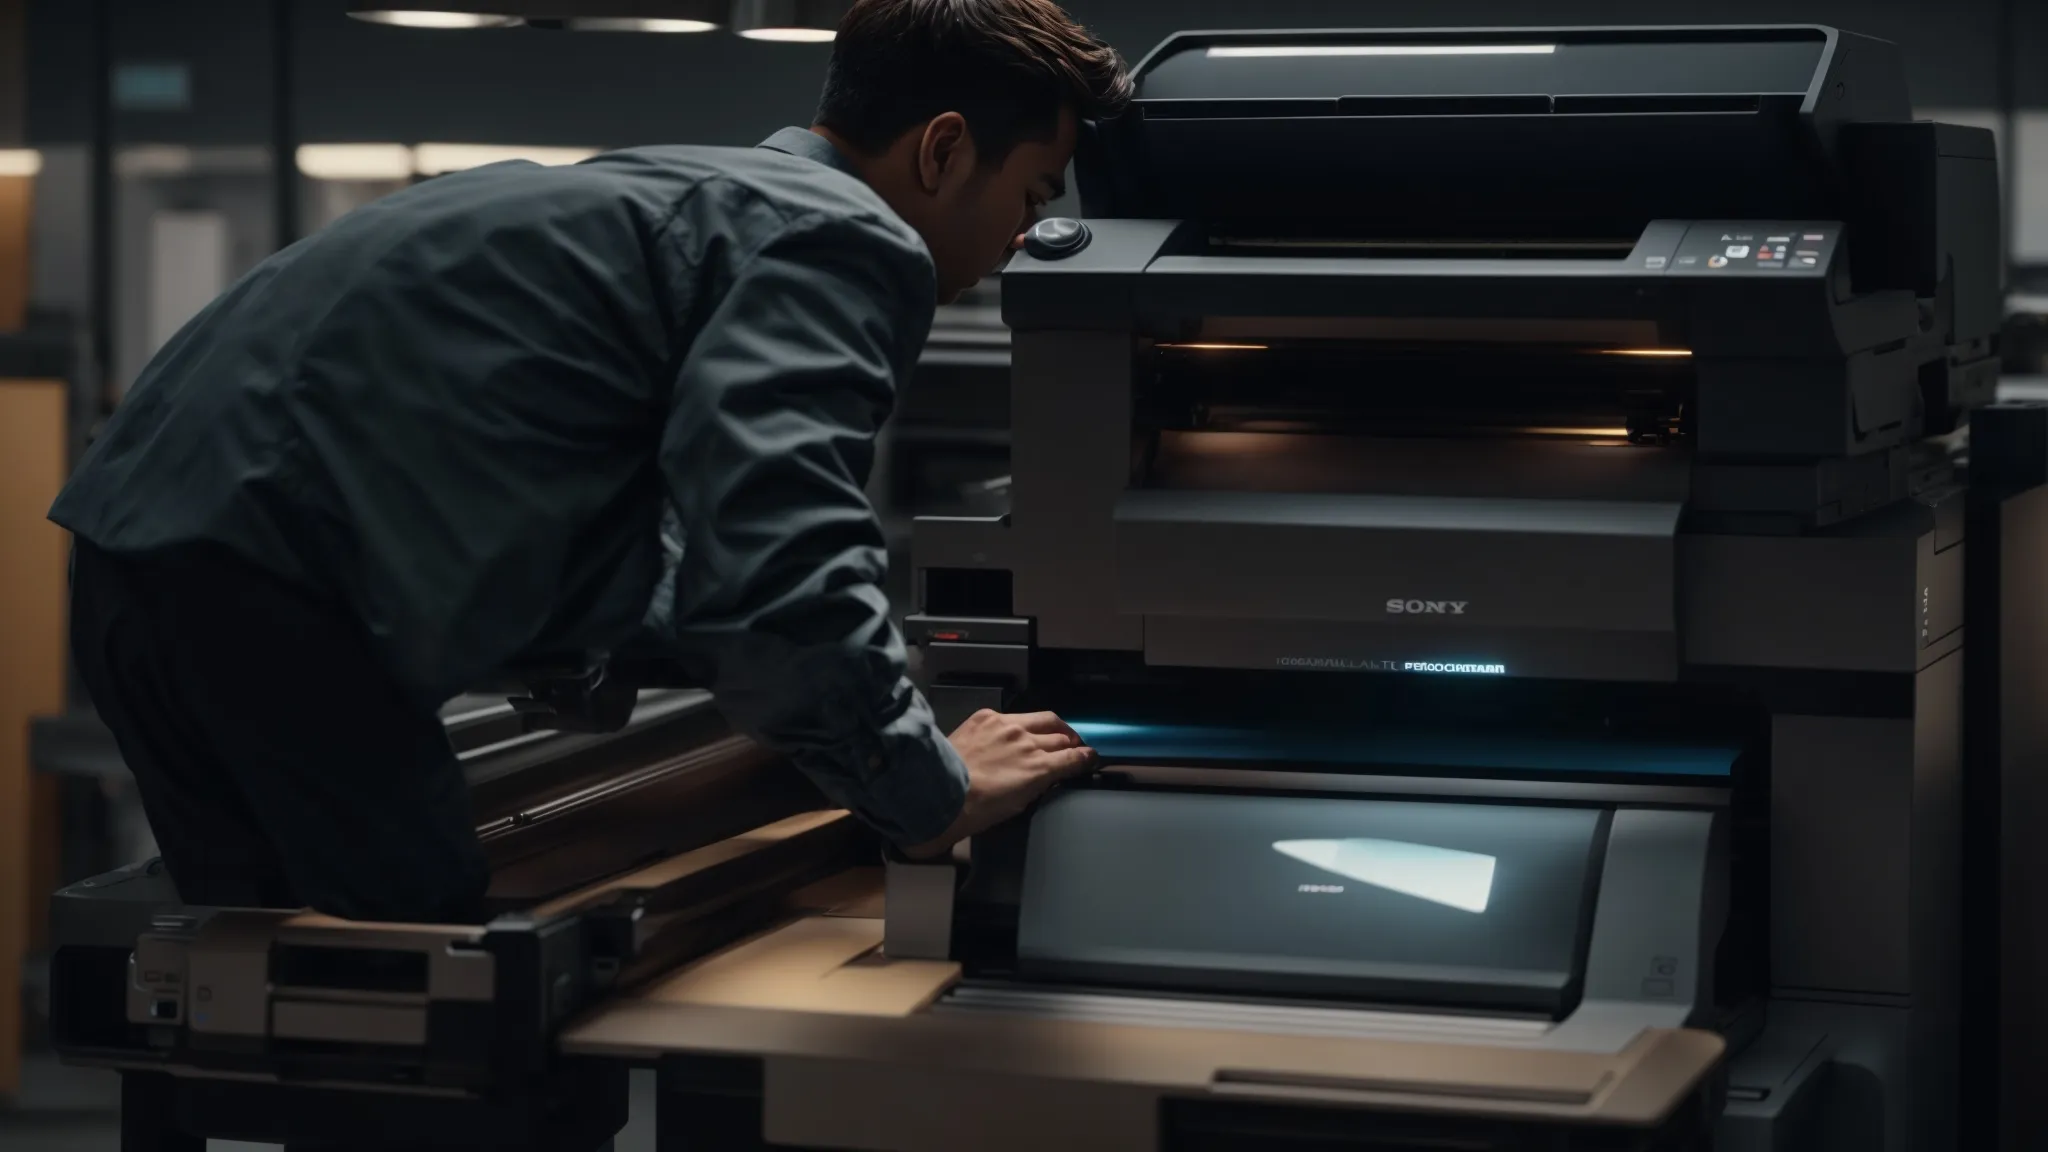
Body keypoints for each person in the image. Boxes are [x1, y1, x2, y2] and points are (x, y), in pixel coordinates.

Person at [49, 0, 1132, 923]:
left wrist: (646, 651)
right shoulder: (850, 239)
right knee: (446, 1044)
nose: (1021, 239)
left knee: (281, 998)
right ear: (942, 150)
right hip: (285, 596)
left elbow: (605, 507)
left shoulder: (672, 195)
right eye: (1033, 196)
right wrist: (924, 788)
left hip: (131, 554)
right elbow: (778, 562)